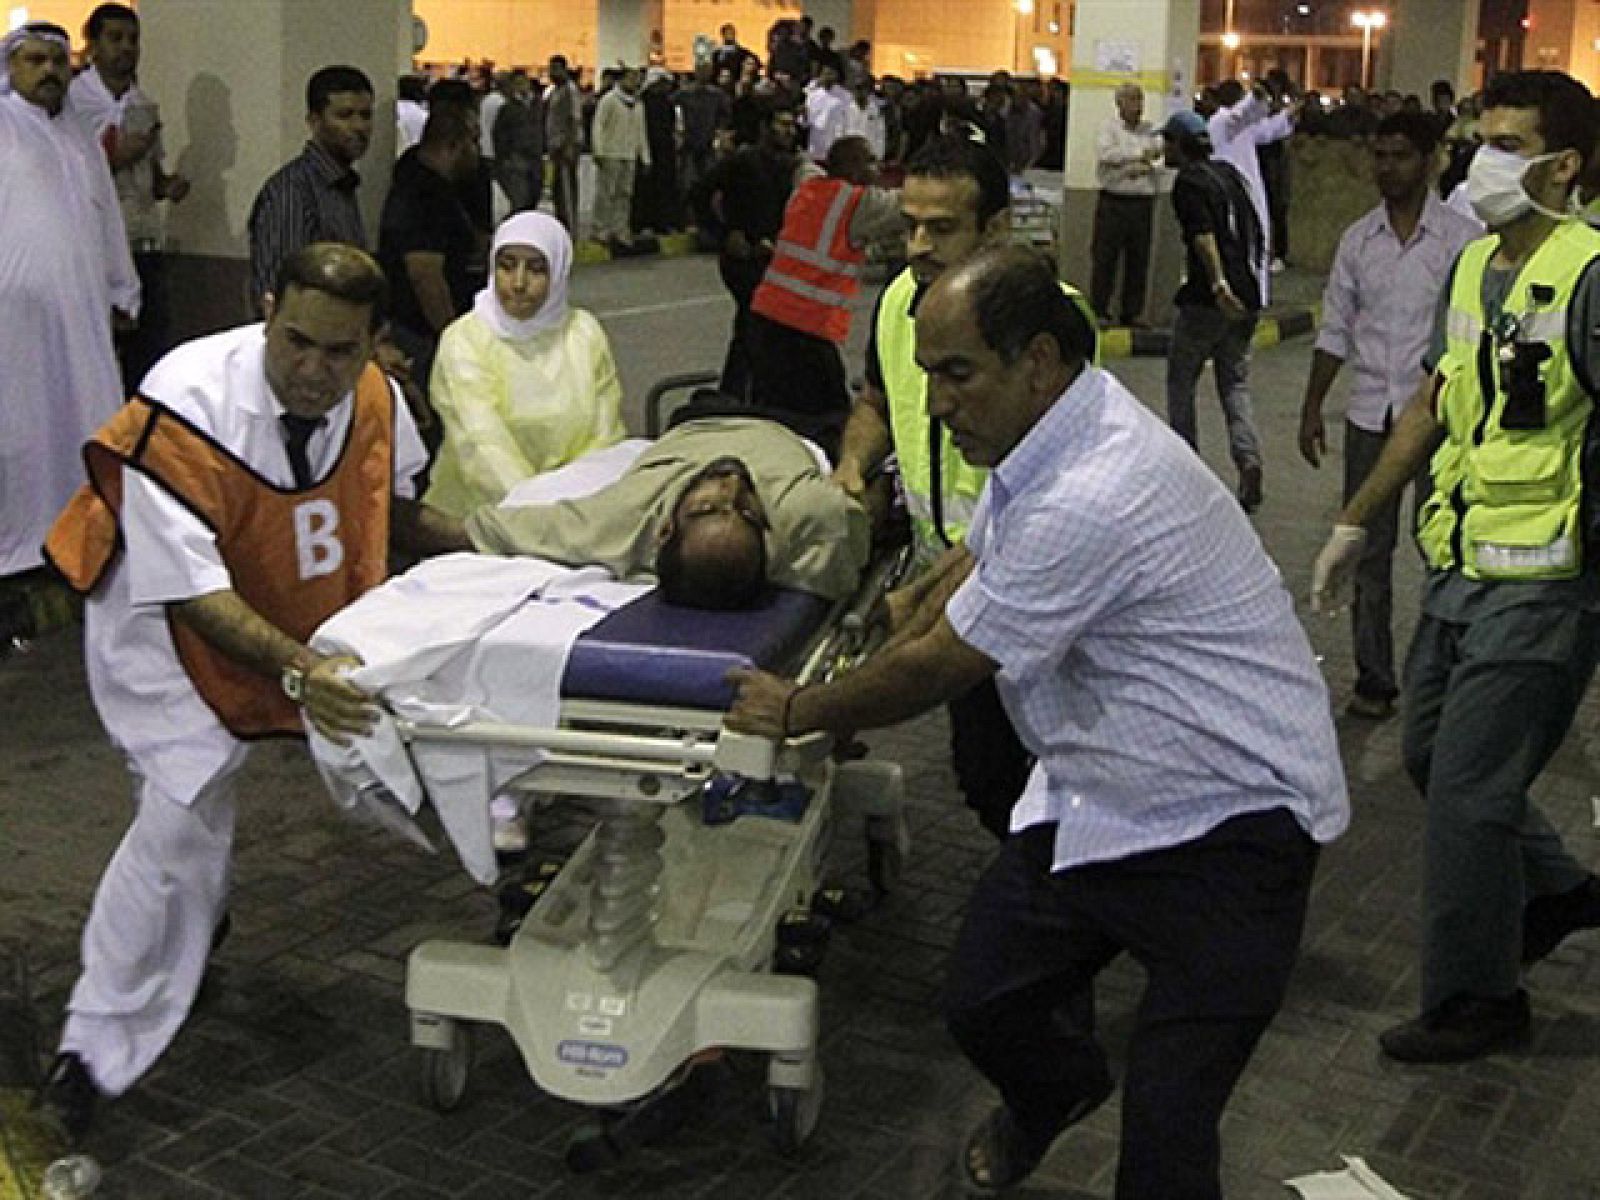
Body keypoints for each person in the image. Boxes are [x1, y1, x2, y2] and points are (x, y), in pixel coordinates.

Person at [728, 246, 1348, 1198]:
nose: (934, 403)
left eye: (957, 374)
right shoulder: (1053, 432)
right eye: (928, 374)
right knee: (986, 1002)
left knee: (1169, 1135)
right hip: (1103, 789)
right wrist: (908, 603)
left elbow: (943, 667)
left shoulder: (1099, 486)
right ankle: (1056, 1095)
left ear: (1041, 361)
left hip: (1234, 825)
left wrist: (797, 711)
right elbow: (980, 553)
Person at [35, 244, 461, 1139]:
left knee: (203, 824)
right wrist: (303, 672)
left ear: (373, 343)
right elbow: (193, 593)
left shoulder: (377, 399)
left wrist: (504, 547)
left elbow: (394, 510)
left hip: (275, 597)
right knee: (182, 807)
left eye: (339, 353)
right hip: (159, 618)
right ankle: (94, 1044)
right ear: (266, 312)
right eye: (295, 342)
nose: (314, 372)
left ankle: (192, 921)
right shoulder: (186, 402)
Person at [1312, 70, 1600, 1065]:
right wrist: (1354, 522)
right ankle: (1560, 888)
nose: (1485, 161)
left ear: (1562, 166)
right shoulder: (1476, 266)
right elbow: (1432, 403)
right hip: (1458, 569)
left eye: (1509, 144)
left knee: (1470, 799)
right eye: (1482, 138)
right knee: (1432, 755)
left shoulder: (1590, 275)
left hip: (1546, 581)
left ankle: (1478, 999)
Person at [830, 133, 1096, 840]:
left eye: (942, 228)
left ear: (996, 229)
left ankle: (1064, 893)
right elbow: (877, 404)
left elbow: (1052, 485)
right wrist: (853, 467)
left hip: (1023, 580)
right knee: (988, 773)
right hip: (946, 568)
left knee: (1039, 765)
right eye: (910, 224)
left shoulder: (1051, 322)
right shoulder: (897, 302)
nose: (918, 244)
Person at [1297, 113, 1479, 721]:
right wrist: (1312, 406)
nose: (1386, 167)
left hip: (1439, 421)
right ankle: (1375, 680)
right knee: (1365, 554)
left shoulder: (1462, 240)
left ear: (1428, 161)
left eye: (1399, 155)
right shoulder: (1358, 240)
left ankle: (1441, 677)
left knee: (1442, 549)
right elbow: (1335, 328)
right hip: (1370, 416)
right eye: (1379, 155)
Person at [0, 22, 138, 580]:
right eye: (35, 60)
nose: (49, 71)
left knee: (90, 418)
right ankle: (21, 549)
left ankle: (86, 534)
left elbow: (107, 219)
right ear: (12, 69)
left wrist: (122, 288)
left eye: (58, 61)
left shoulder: (81, 137)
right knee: (23, 429)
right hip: (15, 322)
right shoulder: (4, 127)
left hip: (81, 315)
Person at [465, 416, 870, 606]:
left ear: (665, 529)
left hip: (688, 429)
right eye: (744, 512)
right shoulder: (808, 512)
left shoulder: (622, 519)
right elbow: (863, 511)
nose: (730, 486)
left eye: (707, 508)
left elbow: (487, 529)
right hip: (788, 427)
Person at [425, 212, 625, 517]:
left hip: (578, 513)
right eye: (507, 267)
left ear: (559, 273)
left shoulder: (583, 333)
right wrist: (539, 516)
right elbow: (483, 447)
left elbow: (605, 436)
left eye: (536, 269)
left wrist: (582, 508)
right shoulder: (465, 340)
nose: (518, 283)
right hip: (479, 515)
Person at [746, 135, 904, 453]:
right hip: (808, 329)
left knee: (770, 414)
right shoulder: (858, 204)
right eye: (870, 161)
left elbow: (804, 166)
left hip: (766, 317)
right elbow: (906, 205)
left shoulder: (807, 187)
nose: (877, 168)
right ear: (854, 169)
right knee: (829, 420)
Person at [69, 3, 190, 391]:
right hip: (95, 243)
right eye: (115, 38)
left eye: (133, 40)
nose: (125, 48)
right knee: (99, 352)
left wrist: (167, 185)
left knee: (149, 350)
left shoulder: (143, 103)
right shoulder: (73, 101)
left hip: (143, 240)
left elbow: (152, 177)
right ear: (93, 45)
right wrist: (118, 155)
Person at [1161, 109, 1269, 513]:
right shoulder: (1228, 173)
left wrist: (1217, 284)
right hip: (1248, 297)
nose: (1164, 149)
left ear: (1179, 145)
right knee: (1234, 384)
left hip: (1210, 300)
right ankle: (1249, 460)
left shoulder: (1188, 182)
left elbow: (1203, 237)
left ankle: (1187, 472)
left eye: (1167, 142)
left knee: (1181, 383)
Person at [247, 65, 374, 309]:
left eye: (366, 115)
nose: (359, 127)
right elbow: (279, 289)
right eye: (345, 115)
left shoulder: (341, 186)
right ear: (314, 121)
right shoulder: (292, 191)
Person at [707, 101, 806, 402]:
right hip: (744, 258)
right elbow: (701, 192)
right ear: (765, 128)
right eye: (782, 124)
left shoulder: (793, 166)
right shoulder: (744, 161)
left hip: (773, 256)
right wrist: (725, 234)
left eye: (792, 125)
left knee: (758, 328)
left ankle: (744, 391)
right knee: (755, 322)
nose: (789, 131)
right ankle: (740, 393)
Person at [377, 105, 481, 385]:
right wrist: (453, 340)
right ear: (453, 145)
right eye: (474, 141)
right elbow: (426, 276)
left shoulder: (421, 179)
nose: (477, 151)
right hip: (419, 334)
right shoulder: (425, 195)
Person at [1207, 79, 1296, 291]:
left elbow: (1268, 131)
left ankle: (1257, 292)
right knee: (1237, 242)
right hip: (1231, 187)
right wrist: (1254, 98)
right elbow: (1244, 114)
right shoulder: (1221, 122)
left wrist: (1288, 114)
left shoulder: (1244, 127)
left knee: (1258, 240)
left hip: (1249, 188)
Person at [1090, 83, 1162, 328]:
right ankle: (1099, 309)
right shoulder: (1108, 129)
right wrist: (1138, 158)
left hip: (1142, 203)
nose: (1137, 106)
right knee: (1105, 258)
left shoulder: (1150, 130)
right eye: (1130, 100)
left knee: (1139, 260)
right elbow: (1107, 155)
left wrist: (1133, 162)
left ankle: (1132, 312)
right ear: (1119, 103)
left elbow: (1158, 156)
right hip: (1114, 202)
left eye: (1139, 100)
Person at [591, 67, 649, 249]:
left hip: (629, 154)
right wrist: (598, 150)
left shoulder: (638, 104)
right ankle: (601, 229)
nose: (635, 82)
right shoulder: (609, 100)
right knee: (606, 193)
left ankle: (620, 229)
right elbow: (598, 125)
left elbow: (641, 132)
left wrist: (645, 157)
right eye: (631, 78)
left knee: (625, 194)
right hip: (610, 153)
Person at [492, 68, 544, 216]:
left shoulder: (538, 105)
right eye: (517, 83)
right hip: (516, 160)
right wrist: (504, 158)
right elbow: (499, 135)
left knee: (533, 198)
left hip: (535, 159)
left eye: (523, 82)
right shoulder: (507, 108)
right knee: (520, 201)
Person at [544, 55, 584, 235]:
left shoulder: (570, 90)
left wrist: (570, 145)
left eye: (555, 69)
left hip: (565, 148)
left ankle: (570, 229)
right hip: (555, 148)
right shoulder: (554, 91)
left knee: (567, 190)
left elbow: (574, 119)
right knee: (558, 191)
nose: (551, 73)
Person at [803, 62, 851, 161]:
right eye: (825, 74)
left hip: (835, 141)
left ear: (836, 76)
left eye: (831, 74)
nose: (827, 77)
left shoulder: (845, 95)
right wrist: (804, 115)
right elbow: (806, 123)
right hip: (815, 144)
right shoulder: (813, 95)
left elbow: (848, 120)